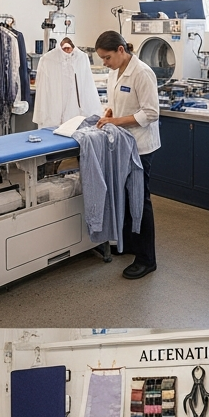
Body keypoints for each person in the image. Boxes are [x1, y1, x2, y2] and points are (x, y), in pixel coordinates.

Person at [93, 30, 161, 280]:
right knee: (124, 196)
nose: (105, 63)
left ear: (121, 50)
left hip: (141, 147)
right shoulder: (114, 72)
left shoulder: (142, 72)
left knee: (140, 200)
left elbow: (151, 113)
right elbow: (119, 100)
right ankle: (131, 244)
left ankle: (147, 259)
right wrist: (111, 112)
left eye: (107, 57)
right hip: (123, 143)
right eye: (102, 59)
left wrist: (118, 121)